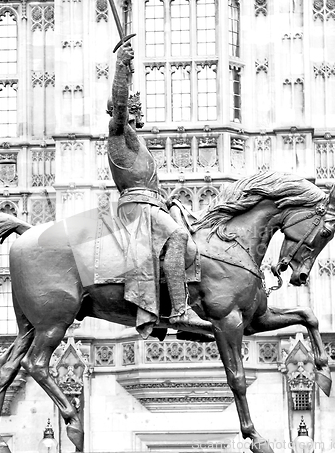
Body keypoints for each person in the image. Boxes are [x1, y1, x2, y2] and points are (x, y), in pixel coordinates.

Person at [107, 42, 210, 338]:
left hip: (151, 205)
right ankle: (179, 311)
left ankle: (185, 305)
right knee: (176, 236)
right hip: (137, 209)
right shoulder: (117, 135)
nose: (138, 118)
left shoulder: (136, 146)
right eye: (133, 113)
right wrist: (122, 67)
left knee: (189, 231)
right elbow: (121, 106)